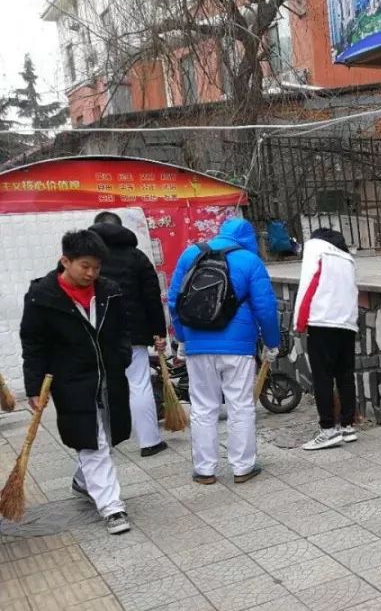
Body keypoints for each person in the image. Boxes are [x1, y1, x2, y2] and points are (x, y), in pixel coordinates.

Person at [21, 230, 133, 535]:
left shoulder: (109, 291)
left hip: (109, 377)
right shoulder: (41, 298)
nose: (91, 273)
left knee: (105, 437)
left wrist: (122, 356)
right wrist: (33, 387)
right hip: (71, 382)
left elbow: (123, 329)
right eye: (85, 266)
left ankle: (83, 481)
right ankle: (112, 508)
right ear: (65, 261)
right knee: (93, 441)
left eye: (96, 267)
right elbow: (33, 344)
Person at [167, 217, 279, 485]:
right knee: (240, 404)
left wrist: (182, 339)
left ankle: (204, 469)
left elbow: (174, 300)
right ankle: (243, 467)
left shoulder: (191, 254)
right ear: (249, 239)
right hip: (237, 346)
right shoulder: (250, 262)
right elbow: (265, 308)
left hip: (197, 345)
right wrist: (272, 342)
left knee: (203, 406)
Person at [91, 211, 169, 458]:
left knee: (98, 388)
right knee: (138, 384)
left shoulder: (87, 259)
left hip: (95, 333)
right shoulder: (137, 257)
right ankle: (149, 441)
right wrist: (159, 331)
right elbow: (151, 299)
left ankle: (101, 445)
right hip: (132, 333)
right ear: (121, 229)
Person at [293, 228, 359, 451]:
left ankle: (328, 429)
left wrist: (298, 322)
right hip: (347, 323)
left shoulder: (315, 250)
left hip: (322, 321)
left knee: (323, 377)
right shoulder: (347, 259)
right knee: (345, 375)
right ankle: (348, 425)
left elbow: (307, 285)